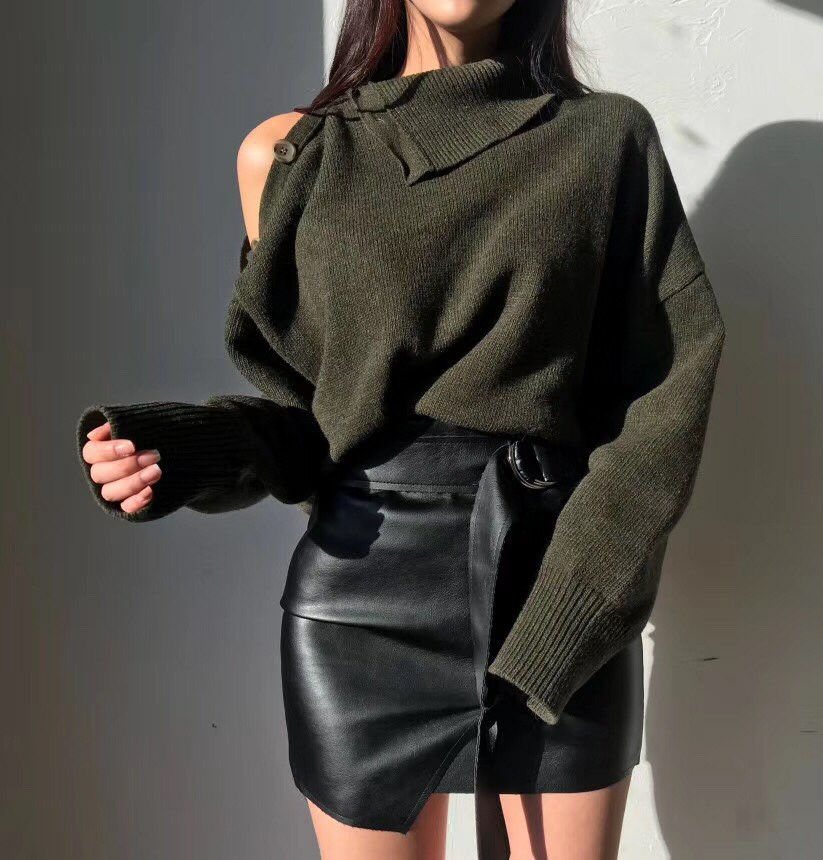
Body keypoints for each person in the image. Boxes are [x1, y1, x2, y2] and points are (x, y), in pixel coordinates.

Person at [75, 1, 726, 857]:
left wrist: (572, 612)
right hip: (362, 613)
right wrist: (193, 450)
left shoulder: (605, 140)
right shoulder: (291, 156)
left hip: (555, 588)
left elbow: (660, 404)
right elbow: (317, 418)